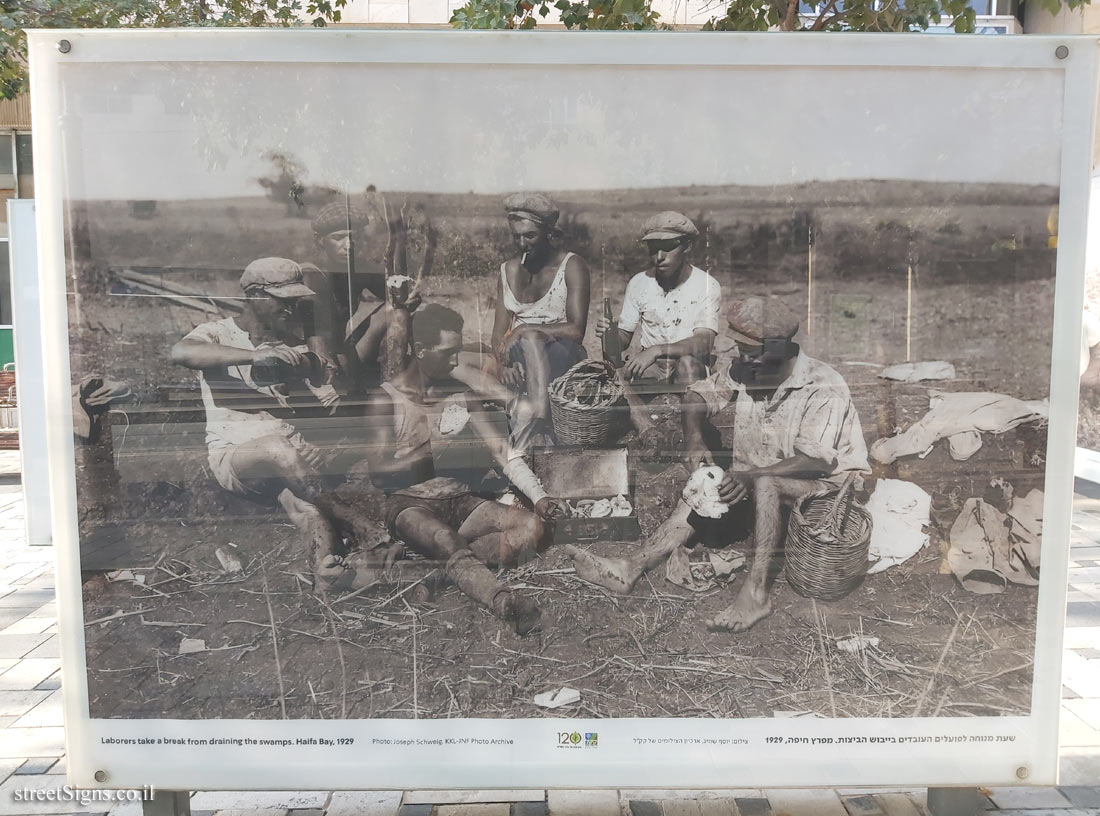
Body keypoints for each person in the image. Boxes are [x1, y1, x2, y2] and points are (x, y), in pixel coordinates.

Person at [566, 296, 869, 633]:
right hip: (759, 480)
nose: (741, 359)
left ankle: (755, 595)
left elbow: (814, 460)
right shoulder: (750, 367)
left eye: (751, 353)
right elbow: (697, 394)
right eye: (741, 350)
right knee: (705, 484)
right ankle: (630, 566)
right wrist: (694, 437)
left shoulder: (821, 385)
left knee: (766, 482)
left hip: (824, 493)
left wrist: (751, 477)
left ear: (781, 350)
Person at [171, 257, 387, 593]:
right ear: (256, 296)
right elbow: (181, 352)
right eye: (282, 301)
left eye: (296, 302)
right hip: (239, 458)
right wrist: (252, 357)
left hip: (291, 460)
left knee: (308, 511)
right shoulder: (219, 333)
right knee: (275, 447)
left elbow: (330, 406)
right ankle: (358, 523)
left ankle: (325, 573)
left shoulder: (294, 348)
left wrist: (318, 372)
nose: (290, 310)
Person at [363, 303, 565, 636]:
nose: (456, 362)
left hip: (460, 500)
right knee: (443, 536)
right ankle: (503, 601)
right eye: (447, 353)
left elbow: (501, 450)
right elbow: (380, 473)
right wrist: (435, 452)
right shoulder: (387, 400)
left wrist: (538, 496)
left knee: (532, 528)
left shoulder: (461, 396)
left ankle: (435, 571)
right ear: (421, 350)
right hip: (411, 503)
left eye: (458, 351)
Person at [594, 211, 721, 445]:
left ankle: (692, 440)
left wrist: (656, 350)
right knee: (614, 376)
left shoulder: (706, 285)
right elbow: (623, 339)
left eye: (668, 247)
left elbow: (704, 343)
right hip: (651, 366)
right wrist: (610, 335)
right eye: (653, 248)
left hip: (687, 362)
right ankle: (648, 430)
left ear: (687, 247)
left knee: (687, 364)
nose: (659, 256)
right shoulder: (640, 283)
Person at [489, 193, 591, 439]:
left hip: (561, 351)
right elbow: (497, 333)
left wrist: (526, 330)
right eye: (517, 236)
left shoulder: (572, 265)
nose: (523, 244)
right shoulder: (508, 270)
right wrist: (503, 365)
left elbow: (576, 330)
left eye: (530, 236)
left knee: (531, 340)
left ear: (548, 233)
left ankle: (537, 420)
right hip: (517, 352)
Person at [301, 201, 417, 393]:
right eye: (338, 238)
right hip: (314, 358)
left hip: (341, 353)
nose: (348, 245)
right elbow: (313, 333)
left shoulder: (356, 268)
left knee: (395, 313)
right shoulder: (311, 274)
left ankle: (394, 382)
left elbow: (395, 296)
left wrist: (407, 296)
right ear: (319, 240)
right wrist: (328, 369)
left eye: (354, 238)